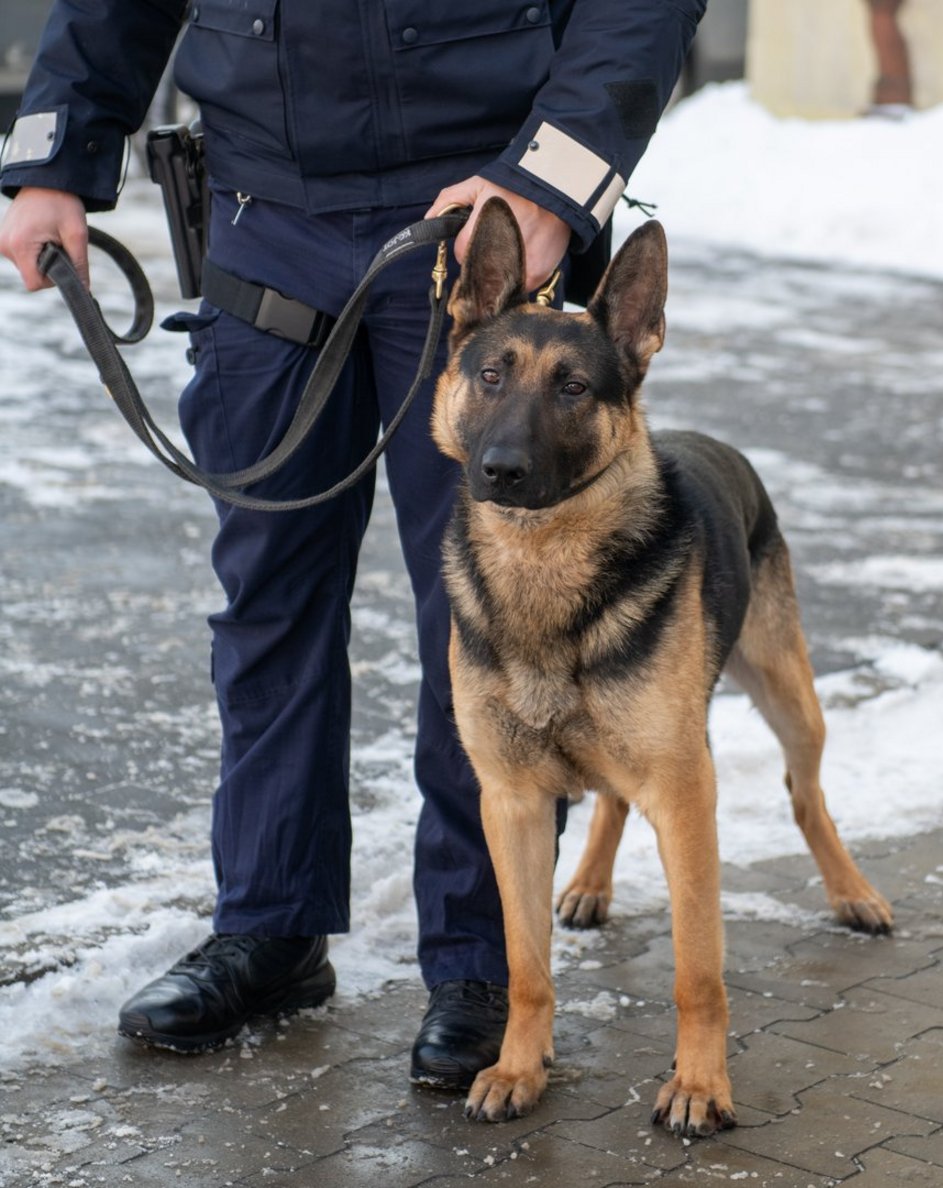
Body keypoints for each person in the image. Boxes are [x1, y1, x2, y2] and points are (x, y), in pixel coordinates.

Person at [0, 0, 705, 1086]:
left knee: (489, 620)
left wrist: (552, 179)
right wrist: (56, 140)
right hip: (263, 205)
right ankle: (271, 925)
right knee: (267, 602)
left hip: (483, 216)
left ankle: (482, 964)